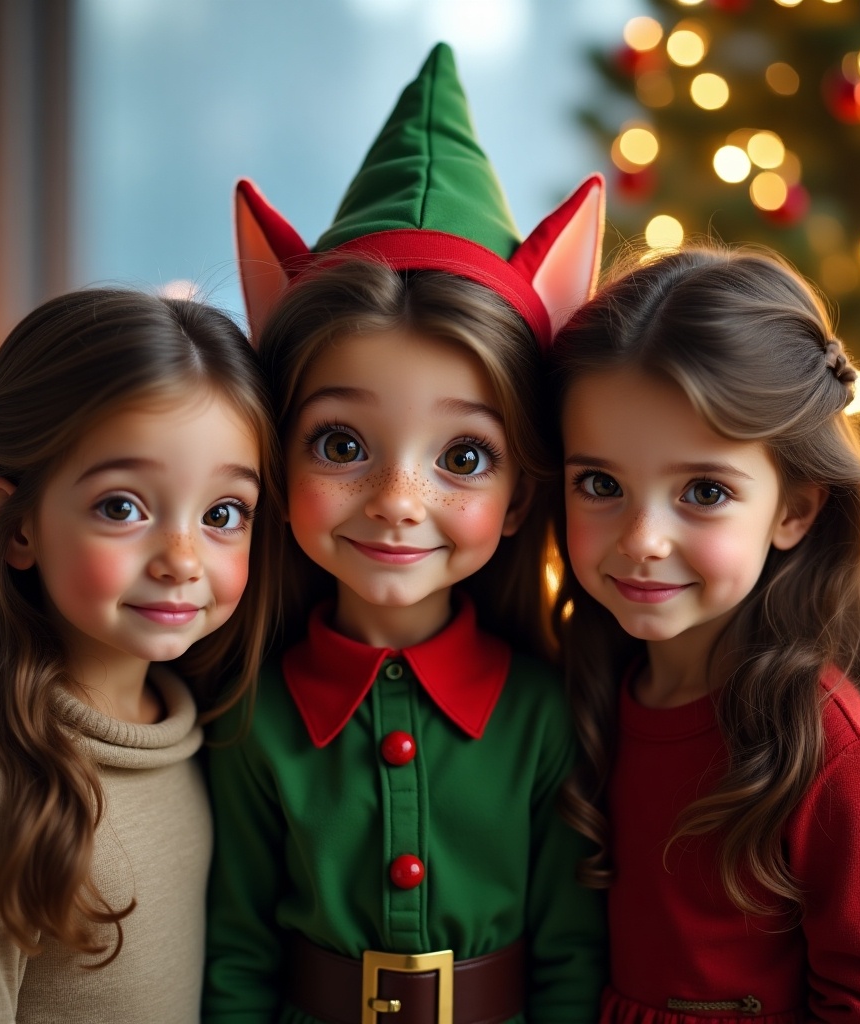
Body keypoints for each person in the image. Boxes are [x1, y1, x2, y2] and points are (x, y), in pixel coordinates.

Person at [204, 44, 607, 1023]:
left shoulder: (545, 716)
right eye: (342, 442)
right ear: (275, 459)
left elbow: (570, 962)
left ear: (520, 494)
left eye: (462, 457)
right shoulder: (250, 718)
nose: (395, 499)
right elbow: (234, 959)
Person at [551, 244, 860, 1023]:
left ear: (794, 510)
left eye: (704, 491)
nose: (643, 538)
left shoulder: (828, 747)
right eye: (601, 484)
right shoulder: (586, 681)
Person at [0, 288, 280, 1023]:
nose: (181, 558)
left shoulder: (205, 736)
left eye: (223, 514)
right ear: (17, 528)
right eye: (122, 507)